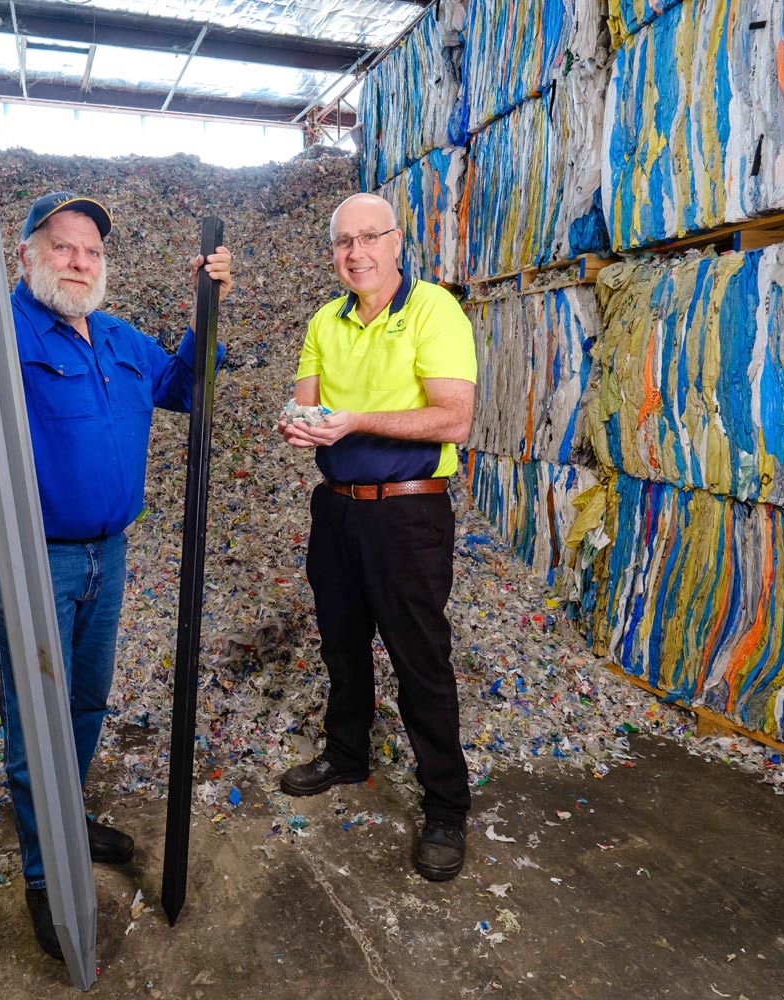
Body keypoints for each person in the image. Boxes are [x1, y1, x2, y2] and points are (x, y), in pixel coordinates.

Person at [0, 114, 232, 959]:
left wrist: (208, 302)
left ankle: (67, 819)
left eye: (90, 251)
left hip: (107, 554)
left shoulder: (116, 337)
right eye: (63, 246)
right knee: (32, 711)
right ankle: (48, 872)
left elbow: (187, 383)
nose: (79, 260)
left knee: (82, 701)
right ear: (28, 256)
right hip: (26, 557)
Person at [278, 192, 476, 881]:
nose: (356, 253)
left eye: (369, 238)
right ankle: (347, 753)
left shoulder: (433, 311)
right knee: (341, 643)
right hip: (336, 508)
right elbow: (304, 405)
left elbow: (452, 419)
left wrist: (353, 419)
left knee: (420, 657)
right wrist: (300, 425)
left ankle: (447, 806)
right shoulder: (323, 320)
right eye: (343, 242)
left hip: (408, 513)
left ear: (397, 241)